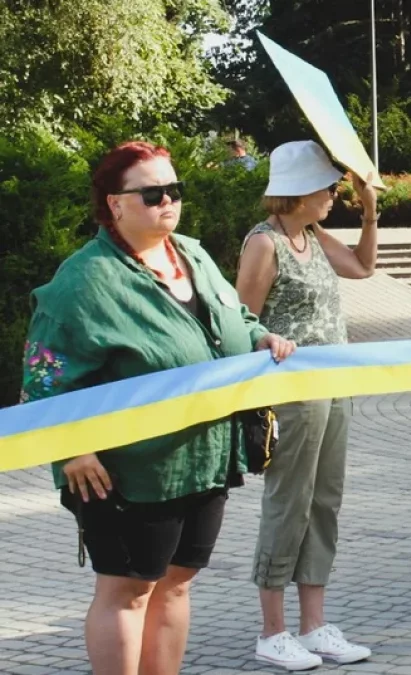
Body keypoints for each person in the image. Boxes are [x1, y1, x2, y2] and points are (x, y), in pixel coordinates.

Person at [20, 141, 294, 675]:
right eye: (152, 193)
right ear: (114, 203)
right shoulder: (85, 280)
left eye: (174, 190)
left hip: (204, 455)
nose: (168, 200)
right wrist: (73, 448)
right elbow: (43, 377)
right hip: (127, 470)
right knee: (128, 589)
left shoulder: (191, 252)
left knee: (175, 583)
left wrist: (260, 337)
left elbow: (229, 314)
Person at [236, 140, 379, 669]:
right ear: (298, 192)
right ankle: (272, 631)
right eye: (330, 187)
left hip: (333, 382)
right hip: (291, 390)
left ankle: (314, 626)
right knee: (288, 502)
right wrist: (267, 340)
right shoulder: (265, 243)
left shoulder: (313, 235)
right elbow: (242, 322)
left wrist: (369, 211)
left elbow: (363, 267)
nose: (334, 195)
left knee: (324, 500)